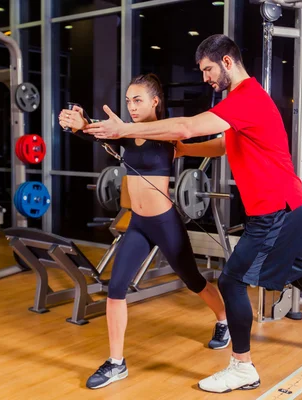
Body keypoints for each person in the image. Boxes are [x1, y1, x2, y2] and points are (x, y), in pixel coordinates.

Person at [79, 34, 302, 394]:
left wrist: (127, 129)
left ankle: (242, 367)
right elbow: (224, 144)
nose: (205, 78)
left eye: (208, 69)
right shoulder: (242, 100)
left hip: (277, 208)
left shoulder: (246, 98)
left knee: (231, 281)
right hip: (287, 204)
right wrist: (184, 149)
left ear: (227, 62)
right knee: (298, 270)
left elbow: (185, 124)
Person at [58, 73, 229, 390]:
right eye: (127, 101)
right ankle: (116, 363)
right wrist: (80, 124)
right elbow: (98, 133)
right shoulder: (124, 135)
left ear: (155, 101)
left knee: (193, 280)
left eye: (137, 100)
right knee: (116, 288)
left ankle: (223, 320)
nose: (131, 107)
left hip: (164, 223)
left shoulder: (167, 137)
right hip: (138, 223)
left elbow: (212, 147)